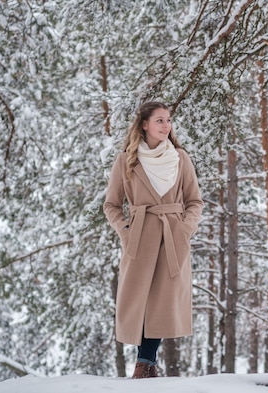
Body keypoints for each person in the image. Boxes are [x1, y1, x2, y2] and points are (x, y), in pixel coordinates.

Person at [103, 101, 203, 379]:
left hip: (173, 238)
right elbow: (111, 204)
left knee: (161, 302)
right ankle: (145, 364)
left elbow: (195, 201)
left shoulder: (181, 158)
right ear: (144, 124)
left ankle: (145, 364)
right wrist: (125, 230)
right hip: (139, 238)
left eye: (168, 120)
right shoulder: (126, 160)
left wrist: (185, 229)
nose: (166, 125)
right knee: (139, 302)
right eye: (159, 120)